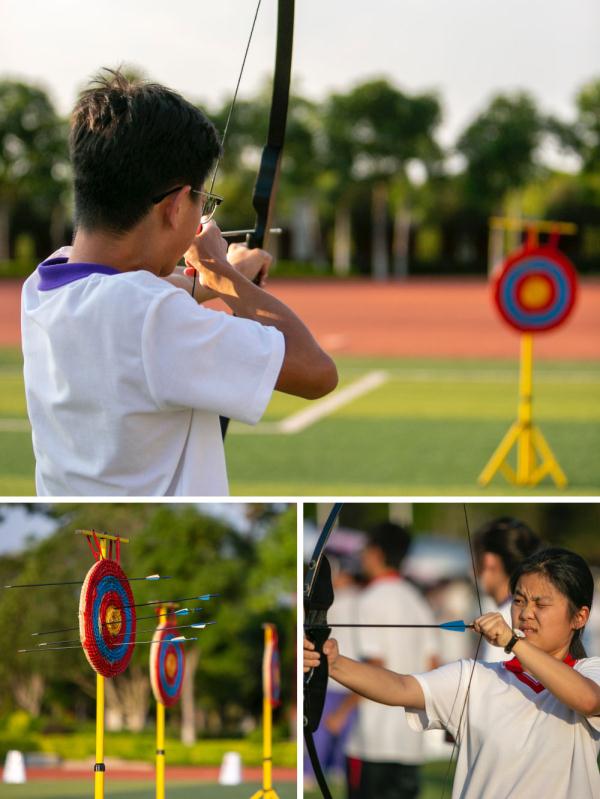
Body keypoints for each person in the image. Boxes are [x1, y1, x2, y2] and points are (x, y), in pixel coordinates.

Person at [21, 69, 337, 496]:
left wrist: (219, 276)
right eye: (201, 202)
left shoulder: (46, 283)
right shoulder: (149, 316)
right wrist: (221, 273)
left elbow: (141, 290)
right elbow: (317, 373)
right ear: (173, 206)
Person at [305, 547, 600, 799]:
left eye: (541, 604)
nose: (525, 613)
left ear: (579, 617)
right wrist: (334, 662)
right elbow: (400, 687)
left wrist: (513, 642)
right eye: (520, 600)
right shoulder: (476, 677)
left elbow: (588, 700)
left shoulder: (590, 671)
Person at [328, 522, 440, 799]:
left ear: (376, 553)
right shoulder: (418, 601)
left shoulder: (369, 599)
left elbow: (374, 665)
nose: (362, 557)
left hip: (372, 740)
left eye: (365, 550)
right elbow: (433, 666)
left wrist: (342, 712)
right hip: (410, 741)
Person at [473, 517, 540, 662]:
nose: (473, 570)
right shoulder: (533, 613)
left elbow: (489, 675)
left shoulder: (498, 623)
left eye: (475, 559)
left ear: (488, 561)